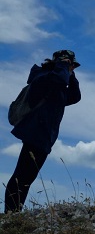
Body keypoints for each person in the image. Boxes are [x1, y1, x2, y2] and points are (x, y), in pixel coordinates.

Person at [4, 50, 81, 213]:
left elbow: (75, 97)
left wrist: (72, 75)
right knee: (21, 175)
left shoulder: (58, 86)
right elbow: (59, 78)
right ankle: (10, 213)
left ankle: (14, 212)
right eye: (69, 64)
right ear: (58, 63)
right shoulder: (43, 78)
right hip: (34, 131)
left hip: (46, 135)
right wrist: (62, 66)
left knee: (28, 177)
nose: (70, 68)